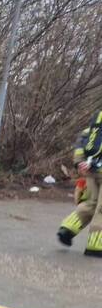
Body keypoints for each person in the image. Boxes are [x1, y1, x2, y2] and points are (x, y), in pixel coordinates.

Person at [57, 110, 102, 257]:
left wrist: (80, 162)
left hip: (90, 172)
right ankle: (96, 246)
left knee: (90, 203)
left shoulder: (95, 127)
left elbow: (81, 143)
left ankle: (67, 228)